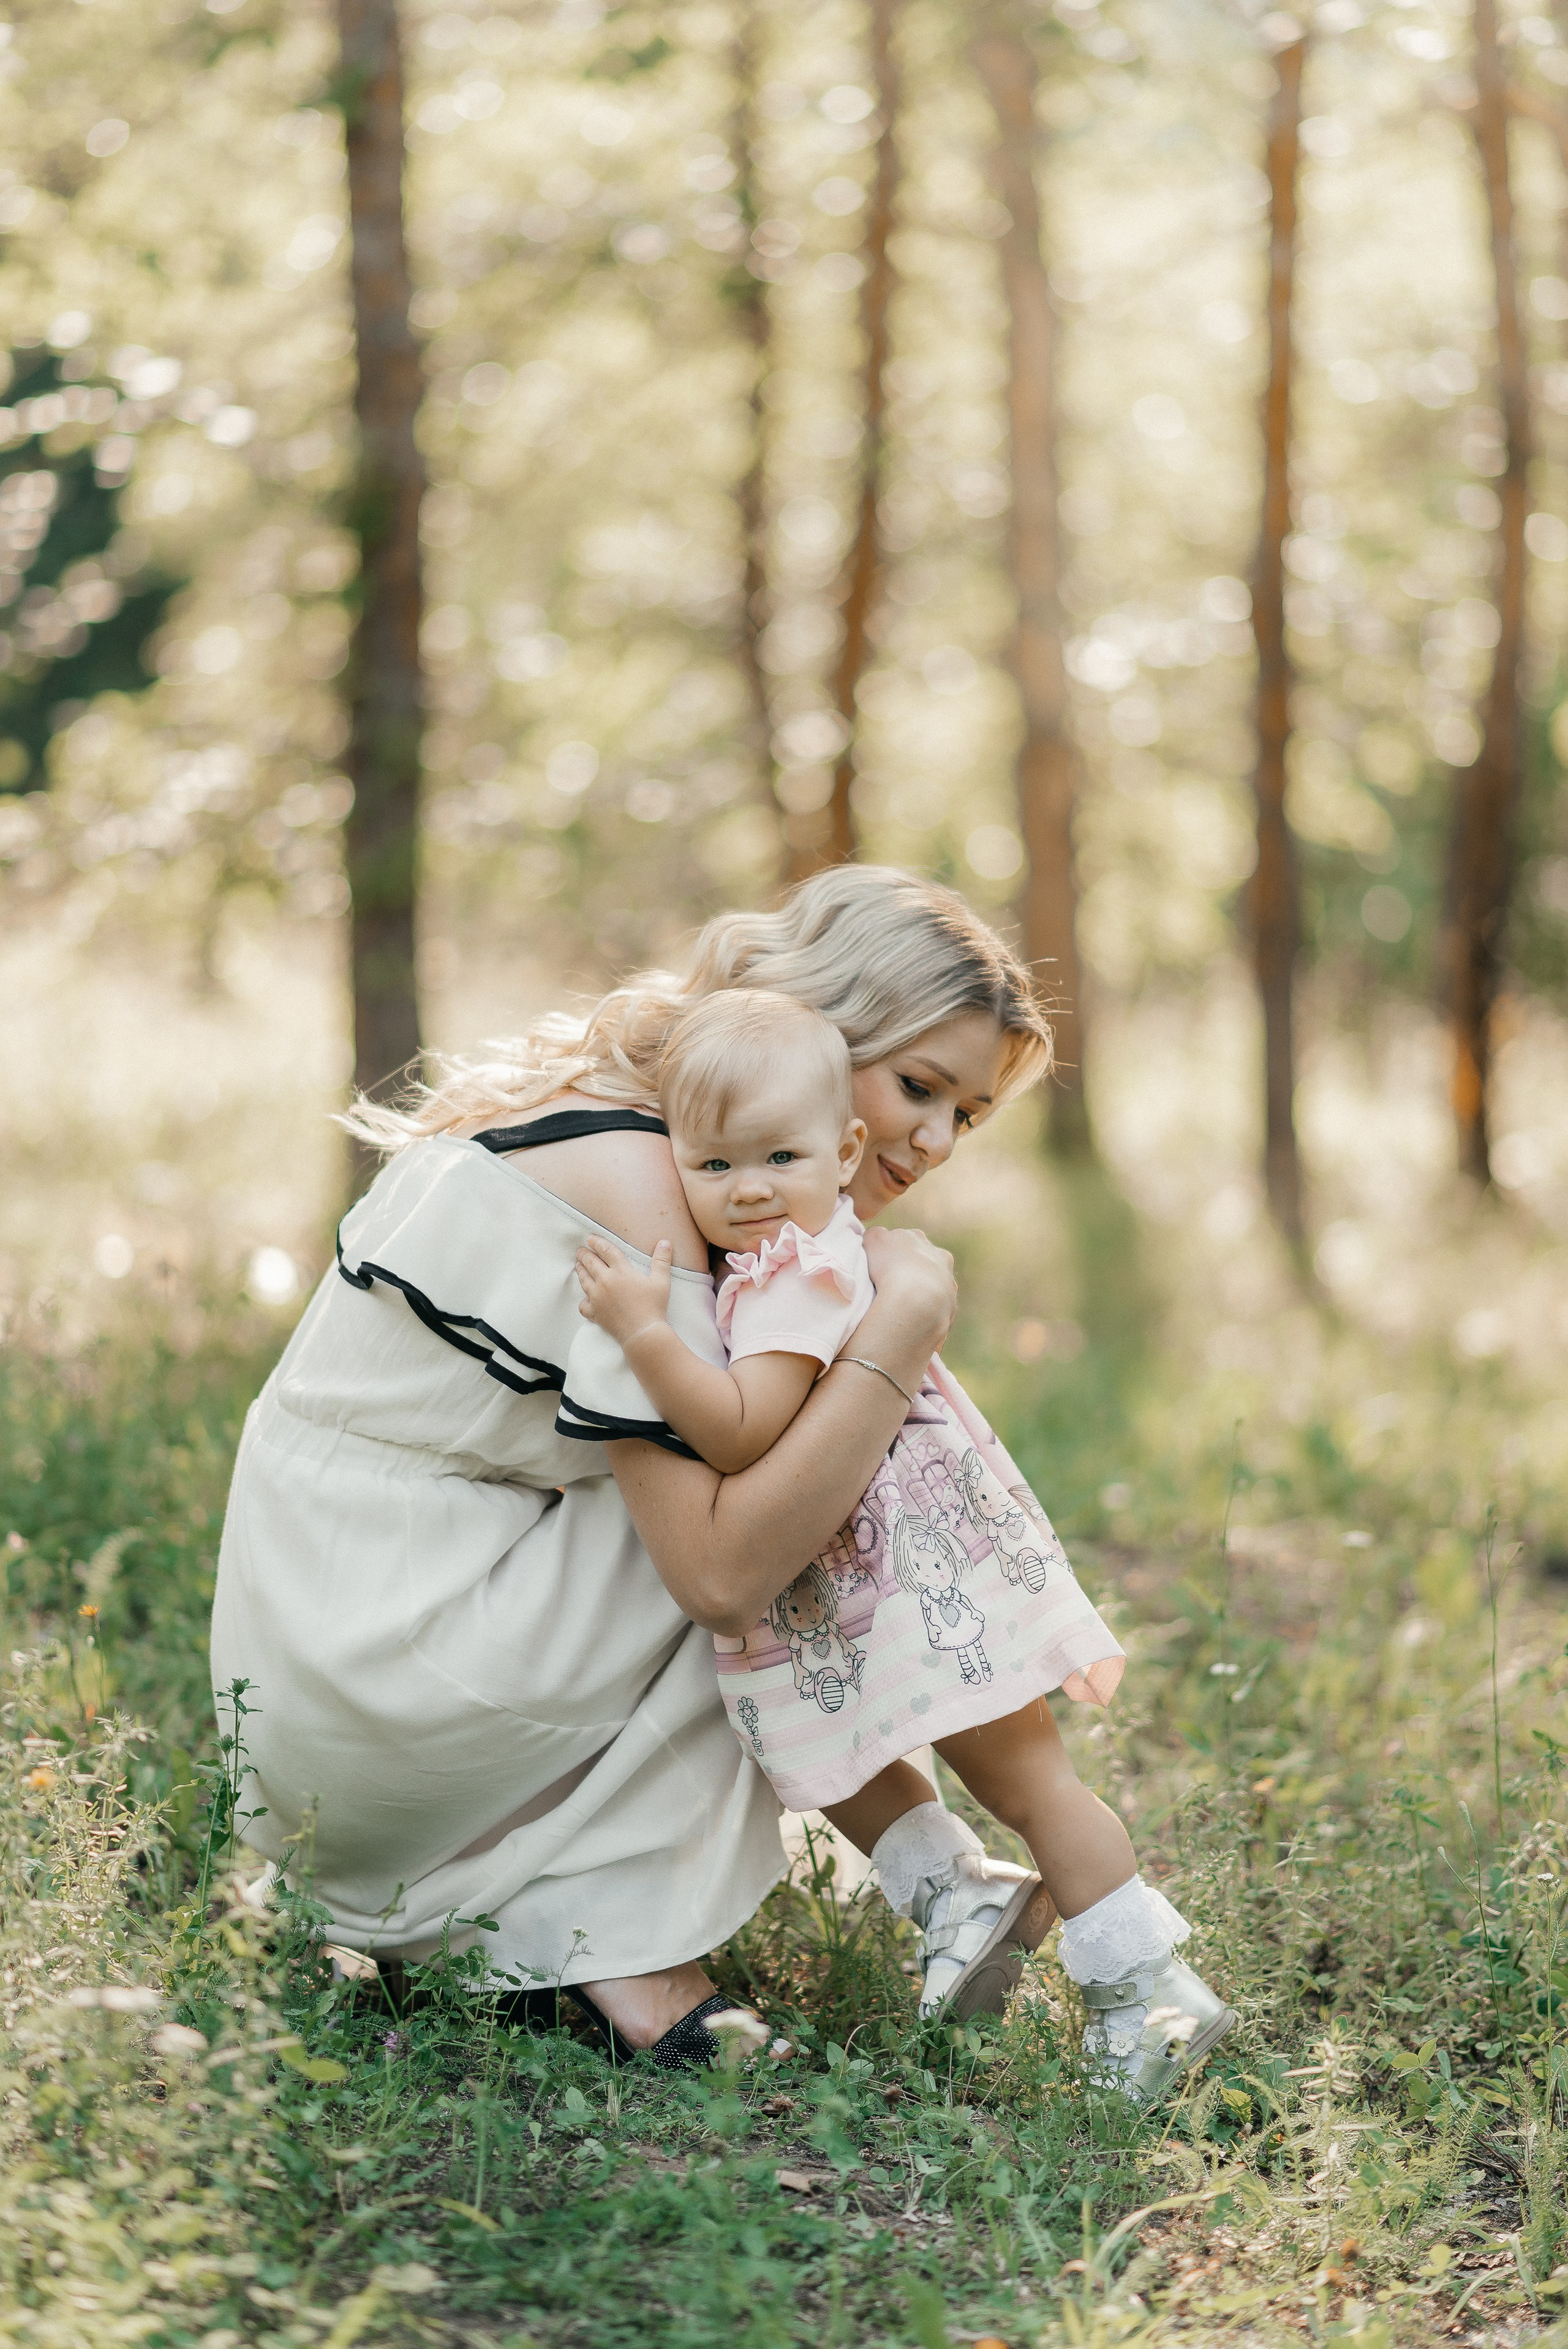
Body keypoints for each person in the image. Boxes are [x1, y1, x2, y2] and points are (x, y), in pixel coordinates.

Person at [210, 867, 1226, 2091]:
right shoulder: (656, 1188)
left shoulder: (665, 1129)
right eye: (915, 1086)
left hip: (330, 1682)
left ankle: (923, 1881)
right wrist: (901, 1330)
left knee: (786, 1469)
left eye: (966, 1114)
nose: (931, 1142)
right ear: (817, 1018)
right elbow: (723, 1571)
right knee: (777, 1509)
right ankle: (647, 1942)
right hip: (374, 1685)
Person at [571, 986, 1235, 2094]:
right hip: (861, 1573)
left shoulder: (803, 1271)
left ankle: (1147, 1989)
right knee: (821, 1744)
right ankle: (957, 1894)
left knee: (1031, 1780)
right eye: (713, 1167)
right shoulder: (800, 1240)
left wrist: (646, 1334)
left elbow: (745, 1433)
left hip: (917, 1574)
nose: (746, 1192)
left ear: (842, 1151)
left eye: (776, 1158)